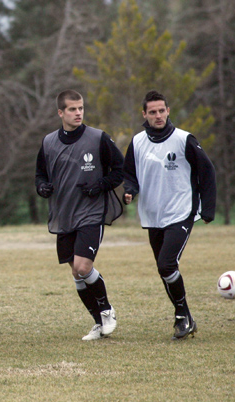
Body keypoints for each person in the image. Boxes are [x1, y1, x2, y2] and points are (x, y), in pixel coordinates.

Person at [123, 90, 216, 340]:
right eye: (152, 112)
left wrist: (207, 208)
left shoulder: (184, 139)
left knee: (166, 264)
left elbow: (207, 171)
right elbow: (129, 174)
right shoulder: (137, 142)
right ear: (144, 114)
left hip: (181, 211)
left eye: (161, 110)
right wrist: (130, 191)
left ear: (168, 111)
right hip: (153, 214)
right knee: (163, 269)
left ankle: (182, 316)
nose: (158, 115)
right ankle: (182, 316)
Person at [35, 89, 122, 341]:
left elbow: (119, 169)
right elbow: (40, 174)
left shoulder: (98, 138)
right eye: (72, 109)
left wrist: (100, 185)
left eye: (81, 108)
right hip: (64, 215)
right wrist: (42, 187)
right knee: (76, 272)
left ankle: (106, 310)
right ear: (61, 112)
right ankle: (97, 322)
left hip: (91, 213)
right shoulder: (49, 142)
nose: (78, 113)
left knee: (84, 267)